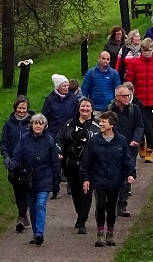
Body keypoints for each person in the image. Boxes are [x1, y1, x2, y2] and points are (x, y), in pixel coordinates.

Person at [79, 111, 136, 247]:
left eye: (104, 122)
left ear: (112, 124)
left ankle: (110, 234)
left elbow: (127, 159)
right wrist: (86, 178)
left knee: (111, 207)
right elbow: (86, 161)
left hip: (116, 180)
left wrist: (130, 174)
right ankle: (100, 234)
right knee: (101, 205)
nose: (101, 124)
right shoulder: (94, 141)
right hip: (99, 179)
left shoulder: (121, 140)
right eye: (101, 121)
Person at [8, 113, 61, 246]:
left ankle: (39, 233)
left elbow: (55, 162)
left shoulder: (49, 140)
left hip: (45, 178)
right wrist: (12, 167)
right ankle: (35, 232)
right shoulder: (24, 139)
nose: (38, 126)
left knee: (40, 205)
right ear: (31, 125)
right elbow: (17, 155)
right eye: (35, 123)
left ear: (45, 126)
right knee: (32, 207)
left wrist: (56, 181)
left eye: (40, 123)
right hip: (28, 179)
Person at [55, 97, 100, 234]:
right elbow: (60, 139)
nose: (85, 109)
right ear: (78, 109)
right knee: (75, 193)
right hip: (72, 165)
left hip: (90, 166)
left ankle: (82, 221)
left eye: (88, 107)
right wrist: (59, 151)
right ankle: (80, 214)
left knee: (86, 192)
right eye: (82, 106)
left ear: (92, 109)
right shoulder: (69, 125)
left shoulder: (97, 126)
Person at [124, 38, 153, 163]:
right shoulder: (134, 64)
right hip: (139, 101)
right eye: (144, 50)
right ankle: (142, 142)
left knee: (151, 127)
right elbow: (129, 83)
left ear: (152, 50)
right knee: (140, 126)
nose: (146, 53)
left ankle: (150, 149)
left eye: (148, 50)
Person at [108, 85, 143, 217]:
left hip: (130, 147)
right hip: (113, 148)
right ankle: (111, 202)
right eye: (124, 96)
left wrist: (136, 139)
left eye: (128, 95)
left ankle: (122, 204)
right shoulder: (110, 110)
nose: (128, 98)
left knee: (127, 175)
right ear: (117, 97)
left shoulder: (134, 109)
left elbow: (140, 126)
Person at [0, 95, 33, 233]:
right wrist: (6, 157)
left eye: (24, 108)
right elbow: (4, 142)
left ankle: (20, 216)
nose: (21, 110)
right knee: (17, 191)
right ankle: (23, 214)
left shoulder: (32, 122)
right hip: (13, 163)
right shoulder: (8, 124)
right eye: (19, 108)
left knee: (25, 189)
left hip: (28, 162)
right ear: (15, 108)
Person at [41, 74, 76, 199]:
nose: (66, 88)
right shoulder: (50, 99)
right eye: (63, 86)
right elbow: (45, 116)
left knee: (70, 160)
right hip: (55, 134)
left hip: (70, 133)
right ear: (57, 87)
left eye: (67, 85)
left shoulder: (72, 98)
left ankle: (71, 184)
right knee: (56, 162)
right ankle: (55, 189)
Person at [81, 51, 122, 117]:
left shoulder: (114, 74)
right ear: (99, 58)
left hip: (110, 108)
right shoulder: (91, 73)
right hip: (95, 108)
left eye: (107, 59)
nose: (105, 61)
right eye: (103, 58)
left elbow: (118, 91)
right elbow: (84, 91)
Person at [122, 81, 152, 160]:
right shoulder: (114, 106)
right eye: (123, 95)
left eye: (128, 95)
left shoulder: (136, 106)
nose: (126, 97)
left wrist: (138, 139)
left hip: (133, 138)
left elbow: (142, 124)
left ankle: (145, 146)